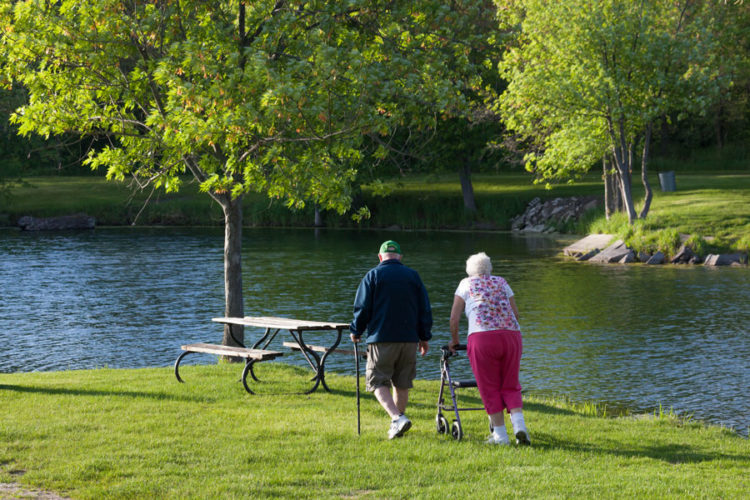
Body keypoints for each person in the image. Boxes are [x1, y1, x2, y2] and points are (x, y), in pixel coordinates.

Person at [350, 240, 432, 439]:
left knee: (377, 379)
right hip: (409, 339)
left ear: (380, 257)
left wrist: (356, 330)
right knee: (402, 382)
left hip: (382, 338)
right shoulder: (413, 276)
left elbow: (362, 308)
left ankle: (397, 418)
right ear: (400, 257)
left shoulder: (373, 275)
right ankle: (397, 424)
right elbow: (424, 309)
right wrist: (424, 336)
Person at [449, 252, 530, 446]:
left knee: (489, 386)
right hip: (511, 335)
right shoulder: (501, 282)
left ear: (470, 271)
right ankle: (520, 426)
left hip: (482, 337)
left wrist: (455, 340)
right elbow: (516, 314)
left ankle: (501, 436)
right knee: (510, 383)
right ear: (489, 268)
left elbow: (454, 318)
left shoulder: (465, 284)